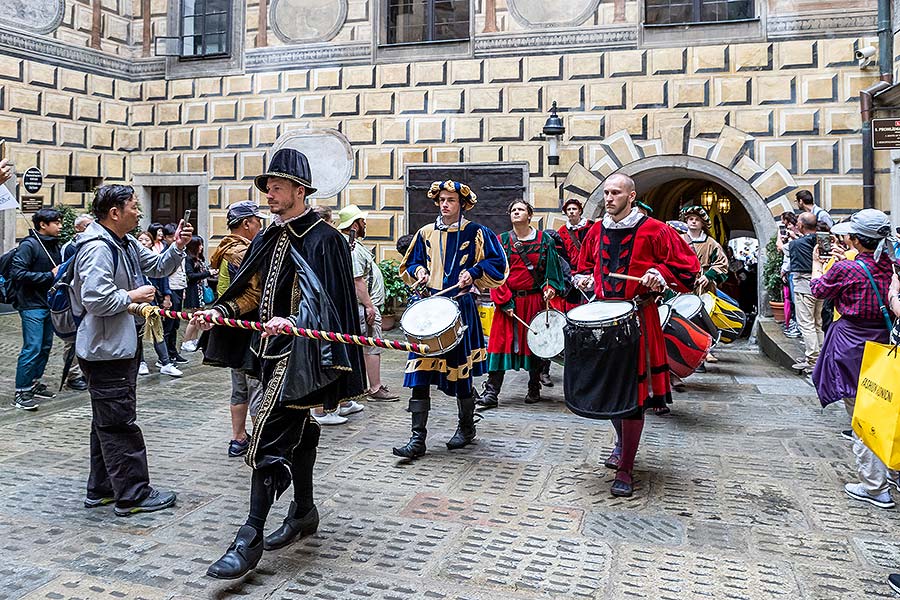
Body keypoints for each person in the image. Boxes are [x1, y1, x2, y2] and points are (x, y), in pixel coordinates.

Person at [195, 148, 365, 579]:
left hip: (304, 355)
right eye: (268, 188)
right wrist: (222, 310)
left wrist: (293, 320)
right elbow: (251, 291)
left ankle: (249, 537)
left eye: (276, 187)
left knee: (267, 438)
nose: (269, 194)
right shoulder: (271, 236)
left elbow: (330, 305)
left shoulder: (327, 239)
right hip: (270, 354)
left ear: (299, 190)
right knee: (301, 430)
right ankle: (304, 512)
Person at [571, 173, 699, 497]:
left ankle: (626, 467)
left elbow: (688, 268)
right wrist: (583, 279)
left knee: (632, 400)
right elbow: (582, 266)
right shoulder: (596, 231)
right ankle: (620, 443)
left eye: (615, 192)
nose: (609, 198)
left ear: (631, 196)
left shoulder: (656, 229)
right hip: (601, 319)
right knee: (612, 393)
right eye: (606, 193)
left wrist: (660, 275)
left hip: (639, 317)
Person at [71, 184, 191, 516]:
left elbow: (159, 267)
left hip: (118, 346)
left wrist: (178, 246)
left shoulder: (121, 243)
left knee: (106, 422)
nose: (139, 213)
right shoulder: (98, 248)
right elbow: (95, 298)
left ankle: (102, 489)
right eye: (134, 207)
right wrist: (132, 297)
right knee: (119, 423)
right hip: (105, 349)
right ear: (115, 212)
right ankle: (132, 494)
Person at [394, 180, 508, 459]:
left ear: (462, 204)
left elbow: (498, 264)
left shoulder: (477, 232)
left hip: (460, 306)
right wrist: (419, 270)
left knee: (461, 375)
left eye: (451, 200)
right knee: (418, 373)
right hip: (429, 307)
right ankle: (417, 439)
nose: (445, 204)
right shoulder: (425, 233)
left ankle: (466, 428)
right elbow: (411, 262)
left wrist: (475, 271)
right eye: (442, 200)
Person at [810, 209, 899, 509]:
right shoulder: (893, 266)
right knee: (888, 407)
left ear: (856, 241)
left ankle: (875, 487)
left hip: (853, 344)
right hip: (886, 343)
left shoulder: (846, 269)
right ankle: (893, 473)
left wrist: (816, 266)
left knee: (863, 416)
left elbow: (818, 290)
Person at [478, 200, 564, 409]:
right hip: (508, 303)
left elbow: (552, 270)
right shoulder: (501, 241)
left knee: (535, 345)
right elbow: (496, 274)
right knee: (498, 345)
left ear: (530, 215)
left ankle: (534, 387)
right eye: (513, 210)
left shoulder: (545, 241)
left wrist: (550, 287)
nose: (516, 212)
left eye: (520, 209)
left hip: (534, 302)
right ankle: (492, 392)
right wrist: (504, 301)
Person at [208, 201, 266, 457]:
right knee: (256, 385)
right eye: (257, 221)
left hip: (230, 328)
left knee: (239, 388)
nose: (261, 226)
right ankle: (262, 441)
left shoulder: (225, 248)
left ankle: (239, 438)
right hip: (248, 329)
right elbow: (254, 294)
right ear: (246, 223)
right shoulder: (242, 253)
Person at [337, 204, 399, 402]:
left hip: (363, 306)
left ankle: (364, 387)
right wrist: (369, 305)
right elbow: (357, 280)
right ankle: (374, 388)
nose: (366, 224)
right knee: (371, 346)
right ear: (355, 224)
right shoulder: (352, 248)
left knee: (364, 347)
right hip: (363, 308)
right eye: (362, 221)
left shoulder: (352, 244)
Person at [10, 208, 62, 410]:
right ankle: (21, 392)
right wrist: (49, 275)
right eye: (56, 223)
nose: (60, 226)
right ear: (43, 225)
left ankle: (34, 383)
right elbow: (18, 273)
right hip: (31, 304)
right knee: (32, 347)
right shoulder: (29, 245)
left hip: (48, 304)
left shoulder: (53, 245)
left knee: (45, 347)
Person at [135, 231, 182, 378]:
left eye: (146, 240)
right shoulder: (132, 258)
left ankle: (166, 362)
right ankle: (140, 362)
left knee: (157, 332)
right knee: (137, 333)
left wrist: (166, 296)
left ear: (151, 242)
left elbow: (163, 277)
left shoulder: (155, 258)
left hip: (152, 302)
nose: (143, 242)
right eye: (140, 240)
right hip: (135, 302)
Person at [60, 213, 95, 392]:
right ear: (77, 228)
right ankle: (73, 375)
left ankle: (83, 371)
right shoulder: (72, 247)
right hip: (73, 299)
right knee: (72, 340)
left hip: (85, 299)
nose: (91, 227)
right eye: (87, 225)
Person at [787, 212, 823, 372]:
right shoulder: (823, 240)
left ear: (801, 225)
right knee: (817, 322)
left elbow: (790, 253)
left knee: (806, 323)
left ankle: (812, 359)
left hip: (804, 284)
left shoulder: (796, 244)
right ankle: (820, 355)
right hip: (821, 283)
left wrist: (784, 244)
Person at [679, 206, 728, 296]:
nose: (693, 221)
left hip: (703, 286)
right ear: (687, 221)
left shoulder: (711, 243)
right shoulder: (678, 240)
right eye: (691, 219)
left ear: (702, 223)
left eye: (697, 219)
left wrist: (708, 276)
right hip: (681, 285)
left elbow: (722, 263)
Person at [179, 237, 216, 353]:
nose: (202, 247)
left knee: (199, 316)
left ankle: (194, 340)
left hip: (200, 290)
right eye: (199, 245)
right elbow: (190, 276)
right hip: (193, 290)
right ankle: (185, 341)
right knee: (194, 317)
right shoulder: (189, 259)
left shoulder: (199, 258)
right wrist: (207, 273)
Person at [163, 223, 189, 364]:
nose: (174, 239)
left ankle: (173, 352)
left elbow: (183, 272)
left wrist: (183, 289)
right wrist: (166, 295)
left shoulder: (180, 250)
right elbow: (163, 273)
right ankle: (165, 355)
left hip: (179, 288)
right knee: (169, 323)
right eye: (170, 236)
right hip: (171, 289)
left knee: (175, 324)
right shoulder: (166, 252)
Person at [557, 198, 593, 274]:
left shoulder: (590, 226)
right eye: (569, 209)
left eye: (574, 209)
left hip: (590, 270)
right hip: (571, 272)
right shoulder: (562, 231)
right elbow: (561, 254)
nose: (571, 212)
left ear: (580, 211)